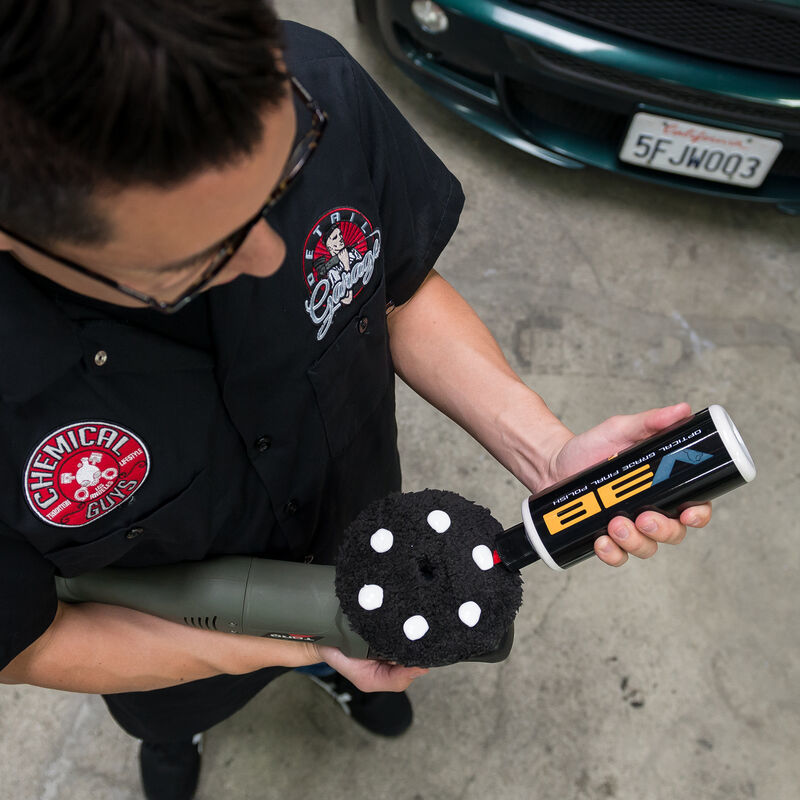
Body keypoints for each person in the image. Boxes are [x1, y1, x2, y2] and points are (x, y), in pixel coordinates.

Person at [0, 3, 712, 799]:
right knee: (173, 708)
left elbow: (393, 286)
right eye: (197, 260)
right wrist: (313, 640)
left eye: (287, 174)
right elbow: (31, 643)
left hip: (355, 522)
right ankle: (180, 734)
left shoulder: (316, 81)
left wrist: (545, 450)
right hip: (159, 642)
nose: (272, 256)